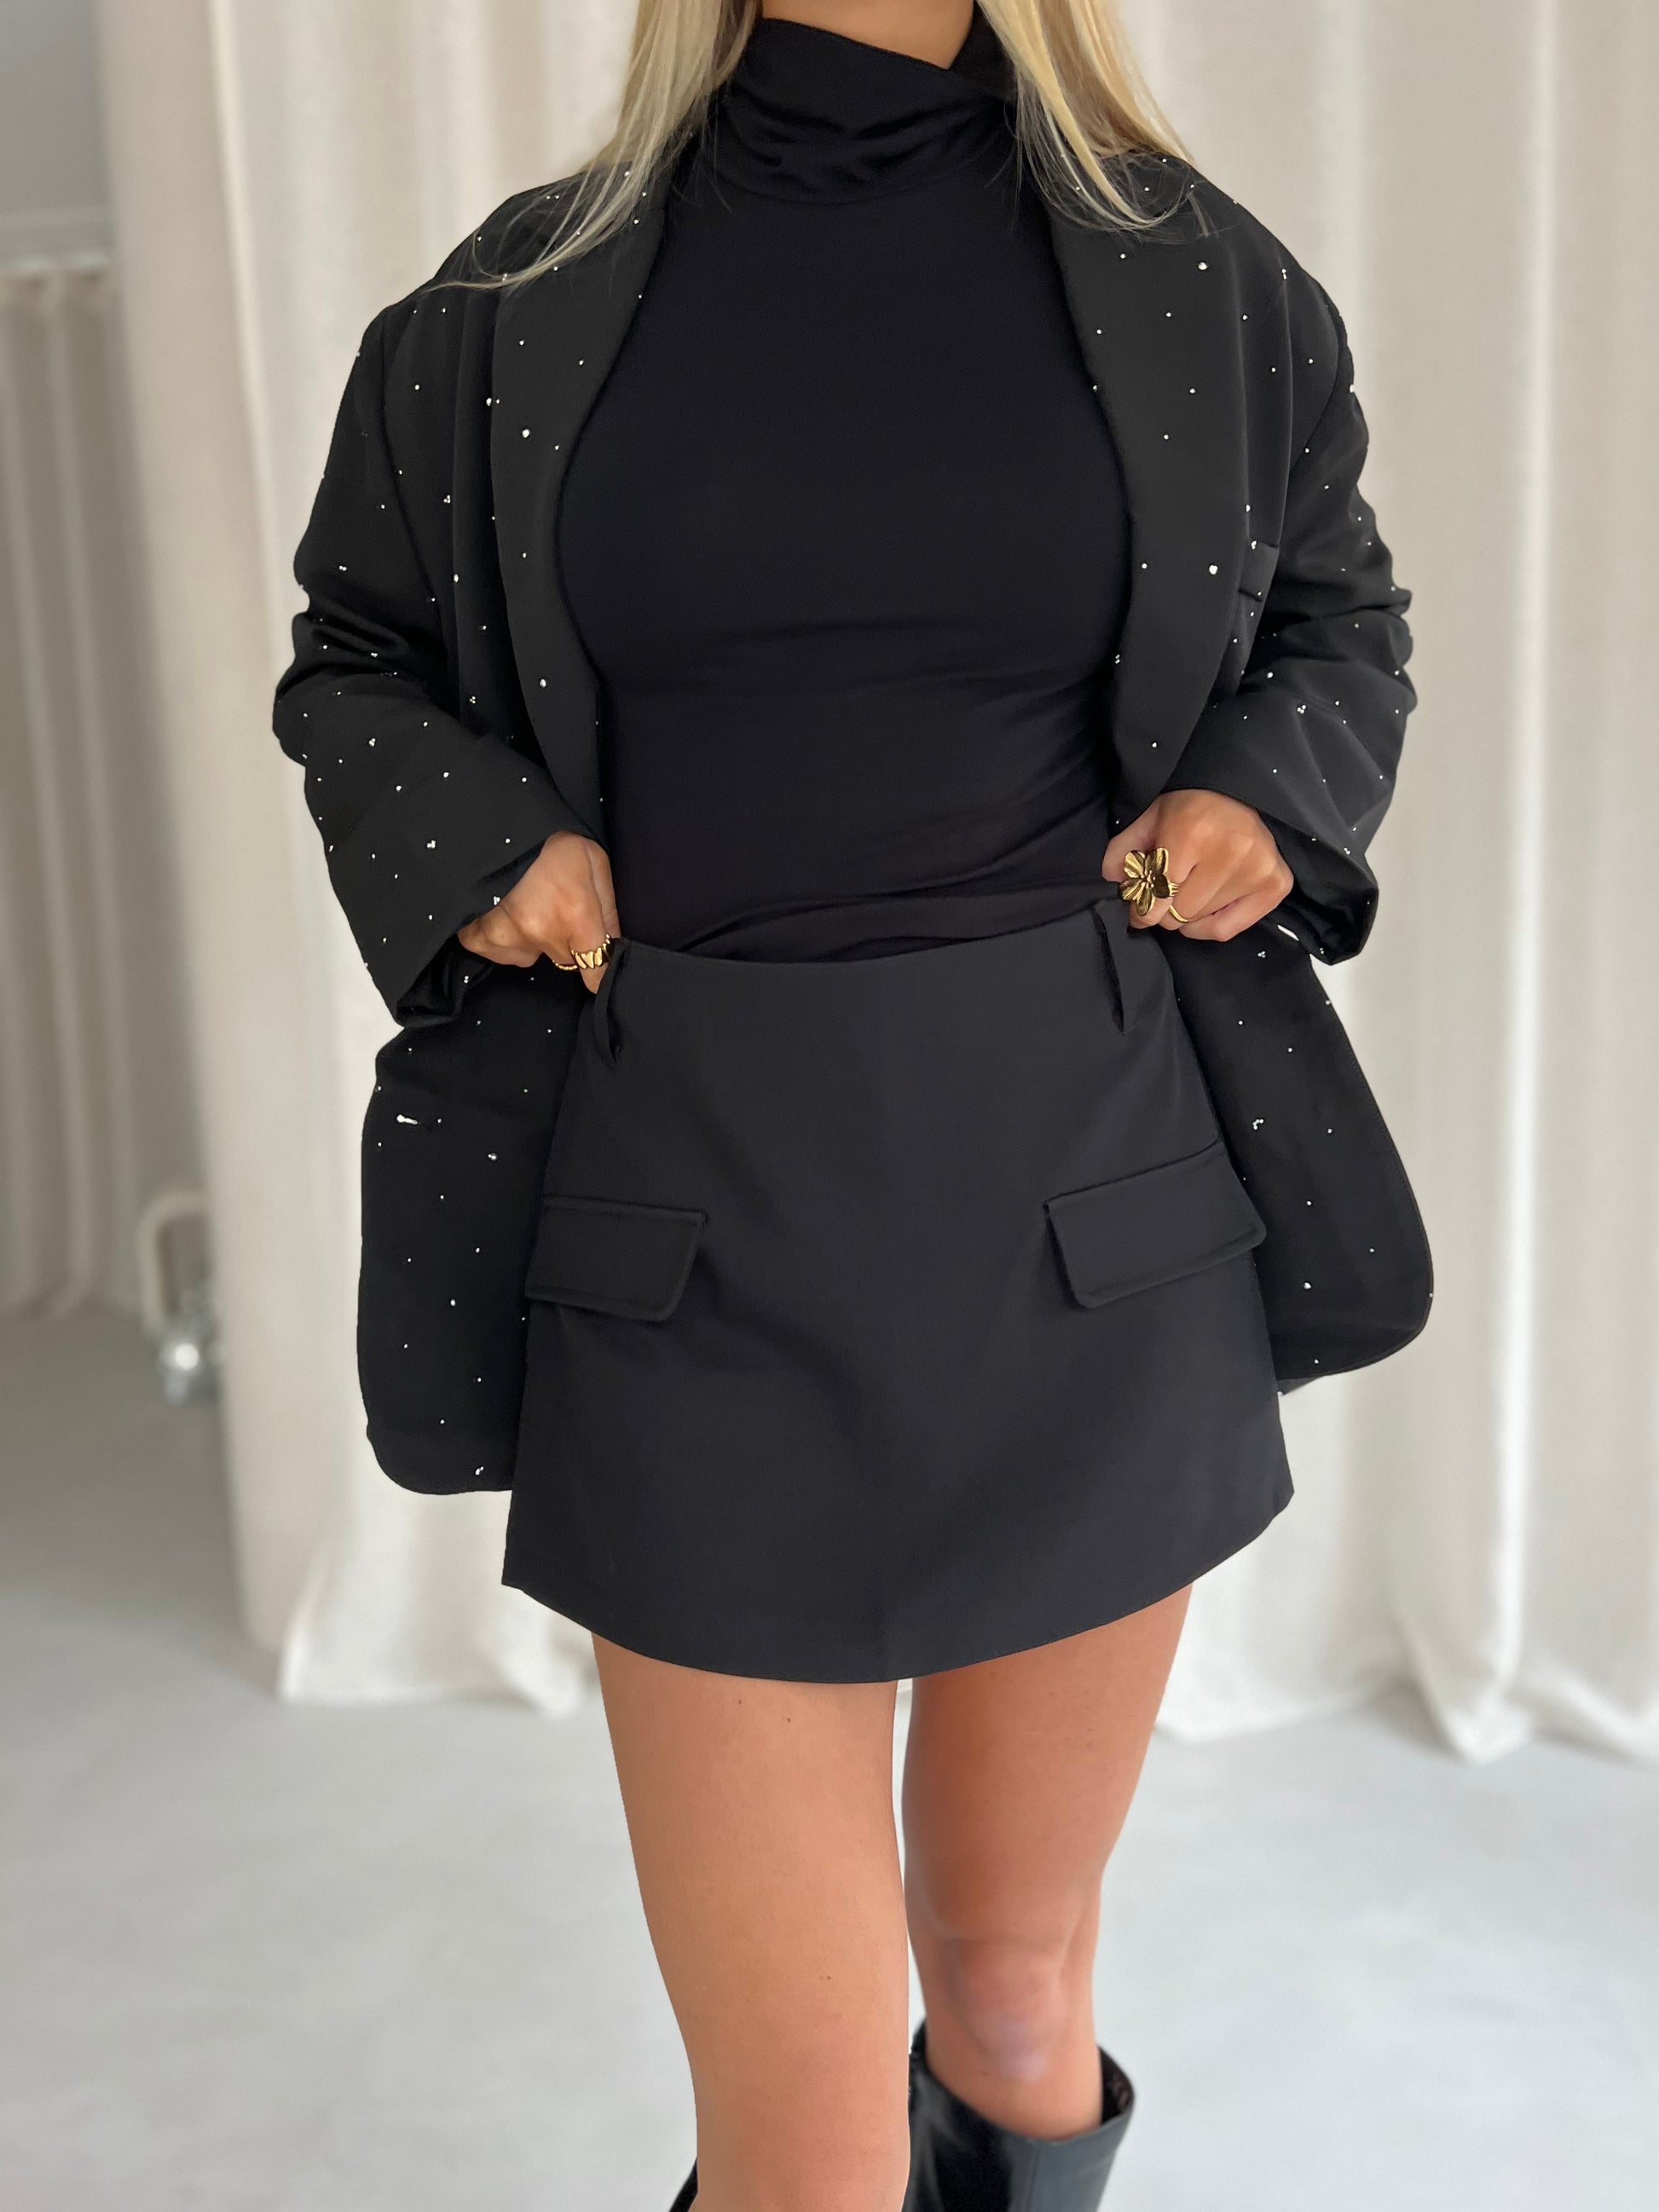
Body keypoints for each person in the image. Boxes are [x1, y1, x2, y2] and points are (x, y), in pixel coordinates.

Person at [273, 3, 1415, 2206]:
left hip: (1096, 1218)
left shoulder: (1200, 276)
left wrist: (1260, 798)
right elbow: (358, 660)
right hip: (683, 1238)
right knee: (800, 2144)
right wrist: (487, 844)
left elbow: (1333, 621)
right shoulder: (507, 302)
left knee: (1012, 1989)